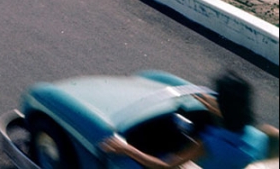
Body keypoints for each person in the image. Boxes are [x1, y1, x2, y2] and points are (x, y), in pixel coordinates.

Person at [100, 70, 278, 169]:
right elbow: (235, 137)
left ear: (223, 106)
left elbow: (165, 166)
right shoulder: (263, 135)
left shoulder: (209, 143)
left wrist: (127, 149)